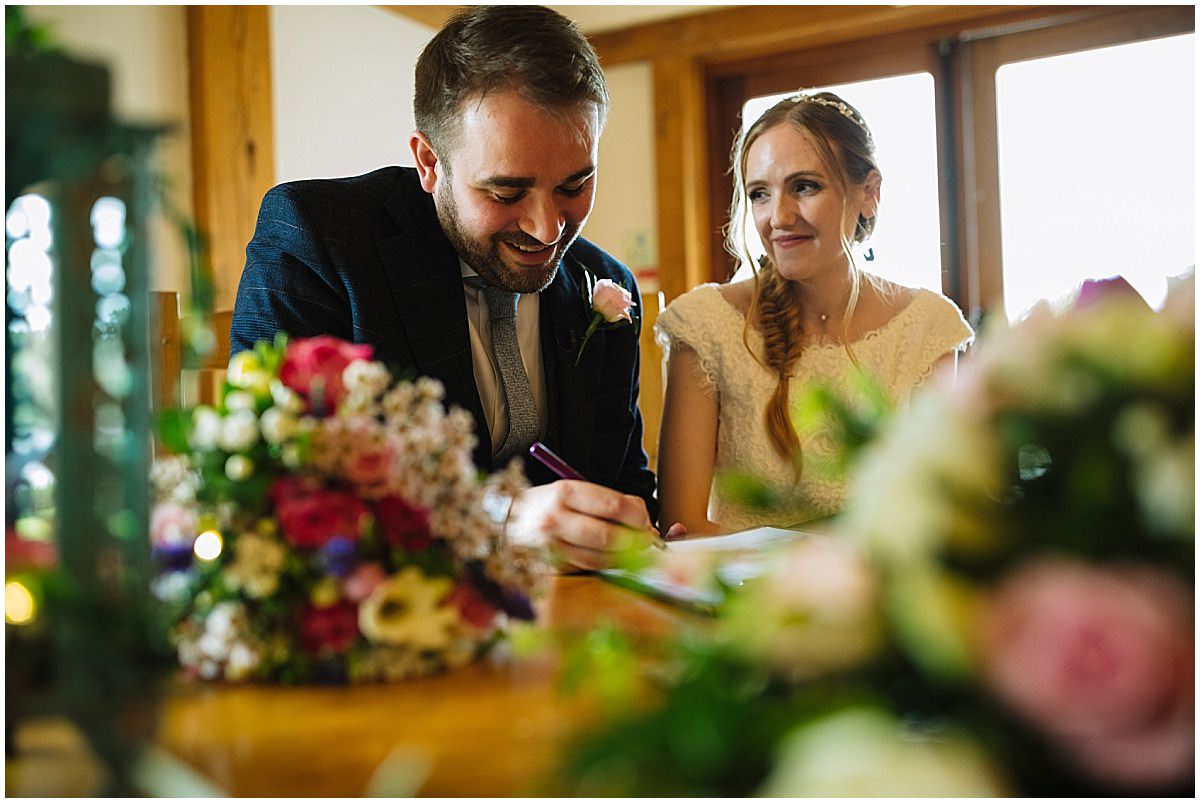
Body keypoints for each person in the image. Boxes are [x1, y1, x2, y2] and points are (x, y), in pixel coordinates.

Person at [230, 6, 669, 569]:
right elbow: (274, 491)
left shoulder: (604, 286)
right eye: (507, 193)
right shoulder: (319, 240)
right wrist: (498, 520)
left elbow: (620, 482)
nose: (548, 229)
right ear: (430, 162)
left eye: (574, 184)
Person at [655, 91, 974, 534]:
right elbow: (680, 526)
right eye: (760, 194)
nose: (779, 217)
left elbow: (937, 520)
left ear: (869, 193)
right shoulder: (706, 326)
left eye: (804, 186)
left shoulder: (926, 330)